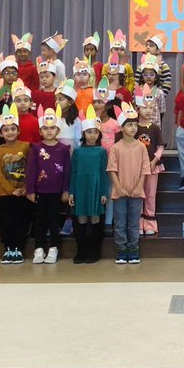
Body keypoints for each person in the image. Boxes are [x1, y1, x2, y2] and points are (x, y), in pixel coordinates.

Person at [26, 106, 72, 264]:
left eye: (52, 128)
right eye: (45, 128)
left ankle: (54, 247)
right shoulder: (36, 148)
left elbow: (67, 171)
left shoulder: (64, 149)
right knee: (39, 221)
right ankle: (39, 248)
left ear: (58, 130)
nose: (49, 131)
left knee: (53, 220)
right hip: (40, 191)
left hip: (56, 192)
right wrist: (30, 190)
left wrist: (66, 190)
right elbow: (31, 170)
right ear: (40, 131)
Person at [107, 102, 152, 264]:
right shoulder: (115, 148)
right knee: (119, 223)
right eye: (129, 125)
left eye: (135, 125)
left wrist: (139, 186)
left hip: (136, 192)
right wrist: (119, 188)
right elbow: (112, 169)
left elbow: (145, 169)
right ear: (121, 127)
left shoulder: (141, 147)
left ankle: (133, 249)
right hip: (119, 193)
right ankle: (121, 249)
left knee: (133, 223)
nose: (133, 128)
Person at [0, 104, 32, 264]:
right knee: (7, 222)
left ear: (18, 130)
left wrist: (25, 187)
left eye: (13, 129)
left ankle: (19, 249)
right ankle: (8, 248)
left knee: (21, 222)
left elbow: (31, 168)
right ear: (1, 133)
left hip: (23, 193)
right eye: (6, 130)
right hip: (5, 194)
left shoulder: (26, 146)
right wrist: (10, 189)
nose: (10, 132)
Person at [69, 106, 109, 264]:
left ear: (99, 134)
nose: (92, 135)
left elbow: (103, 172)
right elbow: (73, 172)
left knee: (95, 218)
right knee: (81, 219)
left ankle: (94, 251)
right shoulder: (78, 152)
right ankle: (81, 251)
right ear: (83, 133)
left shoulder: (101, 151)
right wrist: (72, 191)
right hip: (80, 188)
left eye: (95, 132)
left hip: (96, 188)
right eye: (89, 132)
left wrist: (103, 192)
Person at [135, 90, 165, 236]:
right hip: (136, 168)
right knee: (138, 194)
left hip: (152, 167)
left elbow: (160, 146)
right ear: (138, 108)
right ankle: (138, 223)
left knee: (150, 194)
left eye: (150, 108)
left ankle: (150, 222)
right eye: (144, 107)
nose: (148, 111)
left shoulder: (154, 128)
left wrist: (154, 160)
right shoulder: (133, 127)